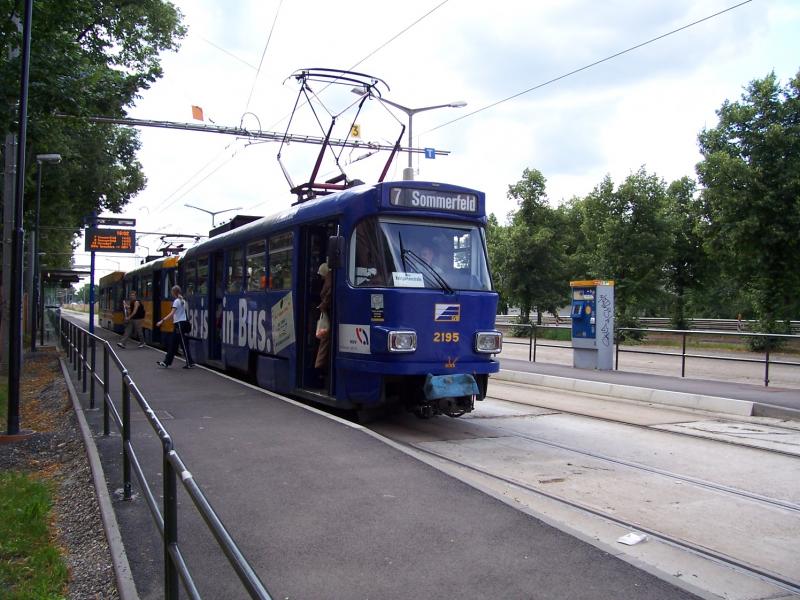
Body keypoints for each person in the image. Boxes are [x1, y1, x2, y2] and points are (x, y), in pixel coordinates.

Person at [156, 285, 195, 369]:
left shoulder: (177, 301)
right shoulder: (183, 300)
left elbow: (172, 313)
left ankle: (190, 362)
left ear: (174, 292)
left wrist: (162, 320)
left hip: (179, 324)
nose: (171, 293)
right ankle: (166, 362)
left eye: (171, 292)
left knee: (183, 344)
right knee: (173, 344)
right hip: (180, 324)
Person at [314, 262, 332, 370]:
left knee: (324, 337)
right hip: (326, 311)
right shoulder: (329, 279)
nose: (321, 277)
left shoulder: (329, 281)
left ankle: (319, 364)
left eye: (321, 274)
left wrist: (323, 305)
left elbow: (328, 295)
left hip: (327, 312)